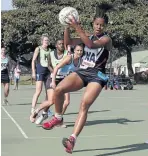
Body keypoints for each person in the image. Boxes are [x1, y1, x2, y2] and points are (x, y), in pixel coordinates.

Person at [42, 4, 112, 153]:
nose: (99, 27)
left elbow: (90, 45)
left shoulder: (106, 39)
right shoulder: (87, 35)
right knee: (59, 89)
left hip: (97, 76)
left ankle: (72, 139)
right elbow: (68, 43)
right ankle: (58, 117)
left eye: (102, 25)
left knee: (83, 104)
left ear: (104, 26)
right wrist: (67, 26)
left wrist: (77, 26)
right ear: (93, 24)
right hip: (83, 72)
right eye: (97, 24)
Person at [30, 40, 83, 124]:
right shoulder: (69, 58)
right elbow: (56, 68)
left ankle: (58, 119)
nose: (79, 52)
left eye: (81, 51)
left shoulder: (81, 61)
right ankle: (36, 111)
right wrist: (53, 82)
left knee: (66, 102)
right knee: (51, 101)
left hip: (64, 81)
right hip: (53, 79)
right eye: (78, 50)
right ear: (74, 51)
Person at [31, 34, 51, 114]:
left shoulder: (50, 50)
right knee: (38, 91)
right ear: (42, 41)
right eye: (45, 40)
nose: (46, 42)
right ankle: (33, 108)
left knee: (48, 93)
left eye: (47, 40)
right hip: (40, 71)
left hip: (48, 72)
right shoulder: (38, 49)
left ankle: (45, 109)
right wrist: (33, 71)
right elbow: (33, 60)